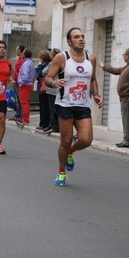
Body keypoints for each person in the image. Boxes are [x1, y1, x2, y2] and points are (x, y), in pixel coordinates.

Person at [45, 27, 103, 186]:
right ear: (70, 41)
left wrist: (96, 95)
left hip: (83, 104)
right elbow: (48, 78)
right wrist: (55, 82)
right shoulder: (61, 58)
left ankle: (72, 151)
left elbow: (92, 80)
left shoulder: (90, 58)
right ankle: (61, 172)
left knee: (86, 140)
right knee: (66, 140)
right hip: (65, 104)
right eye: (77, 37)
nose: (81, 39)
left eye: (82, 36)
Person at [98, 47, 129, 148]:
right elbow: (117, 70)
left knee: (128, 119)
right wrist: (104, 67)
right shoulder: (128, 66)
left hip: (128, 98)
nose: (123, 56)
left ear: (128, 55)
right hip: (125, 97)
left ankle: (128, 140)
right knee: (126, 119)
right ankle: (127, 139)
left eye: (124, 55)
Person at [43, 48, 61, 134]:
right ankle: (52, 125)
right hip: (58, 89)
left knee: (52, 109)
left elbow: (43, 72)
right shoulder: (63, 62)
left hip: (52, 89)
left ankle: (54, 126)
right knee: (55, 109)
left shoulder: (52, 63)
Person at [17, 48, 35, 126]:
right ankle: (25, 118)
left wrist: (21, 82)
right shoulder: (30, 62)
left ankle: (25, 119)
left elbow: (25, 75)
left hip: (25, 85)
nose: (21, 54)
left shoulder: (26, 63)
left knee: (24, 103)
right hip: (29, 84)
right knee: (26, 102)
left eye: (23, 53)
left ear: (25, 55)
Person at [36, 50, 52, 130]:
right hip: (48, 87)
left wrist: (39, 66)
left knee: (43, 107)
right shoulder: (50, 63)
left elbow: (39, 74)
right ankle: (45, 123)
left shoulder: (44, 65)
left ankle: (43, 123)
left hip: (44, 87)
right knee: (47, 107)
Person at [9, 45, 25, 121]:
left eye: (17, 50)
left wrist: (16, 80)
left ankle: (20, 115)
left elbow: (20, 72)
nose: (16, 51)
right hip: (15, 81)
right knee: (17, 99)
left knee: (19, 99)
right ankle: (18, 114)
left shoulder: (22, 59)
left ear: (20, 50)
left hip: (18, 82)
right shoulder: (19, 59)